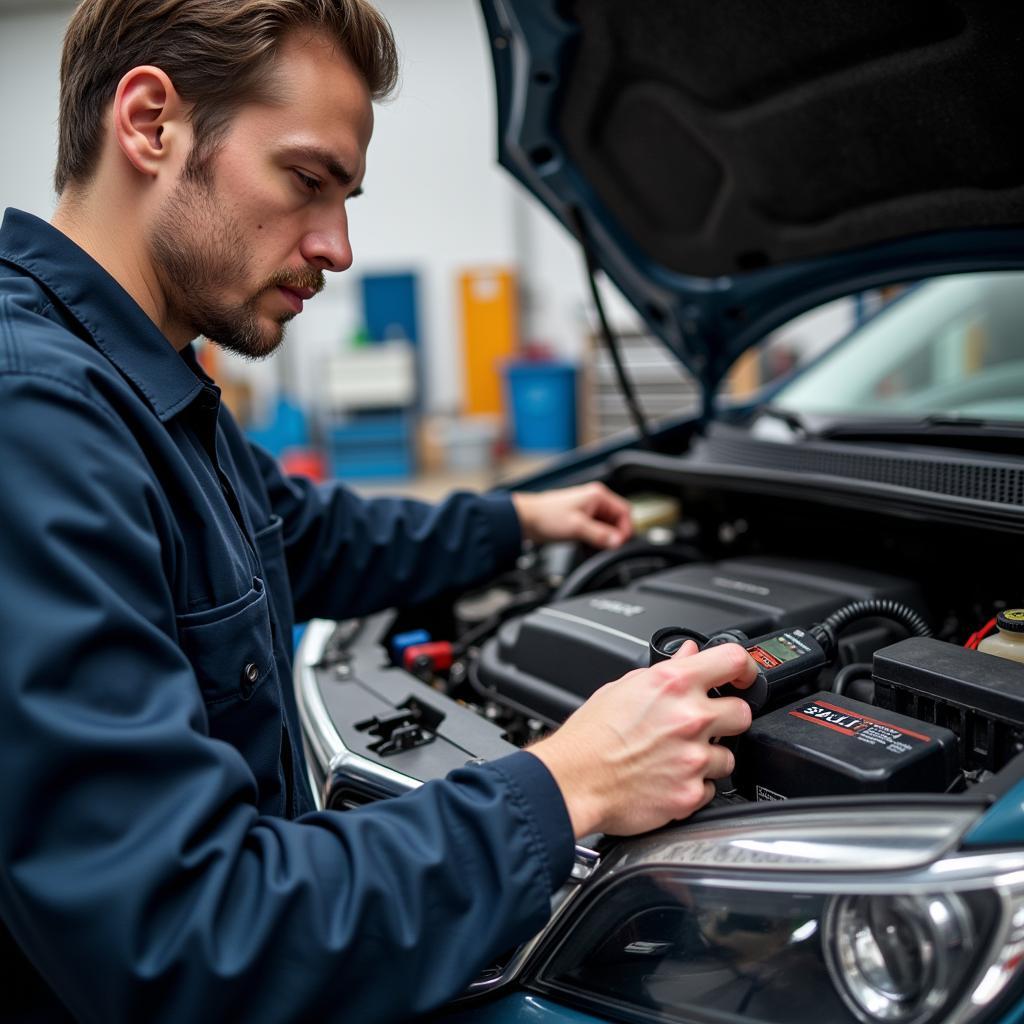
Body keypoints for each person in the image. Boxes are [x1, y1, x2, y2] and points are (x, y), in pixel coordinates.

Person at [0, 1, 757, 1020]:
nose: (338, 245)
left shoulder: (146, 390)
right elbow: (185, 931)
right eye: (307, 181)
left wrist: (521, 520)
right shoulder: (36, 418)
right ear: (147, 123)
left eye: (345, 197)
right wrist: (566, 781)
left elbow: (311, 537)